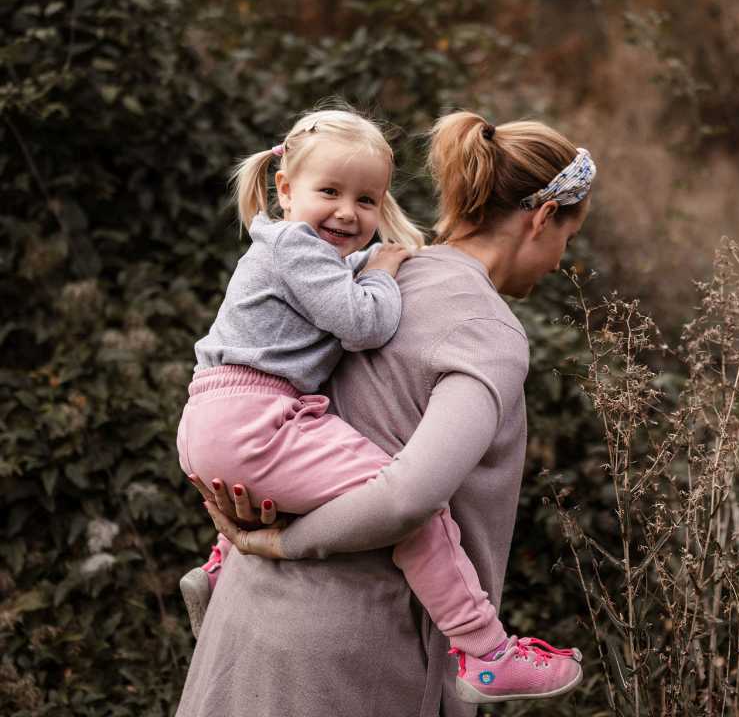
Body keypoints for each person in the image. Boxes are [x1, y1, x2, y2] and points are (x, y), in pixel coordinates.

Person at [176, 110, 594, 717]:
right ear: (543, 217)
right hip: (350, 659)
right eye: (569, 240)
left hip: (243, 628)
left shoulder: (368, 271)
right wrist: (278, 542)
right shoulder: (480, 328)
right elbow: (406, 499)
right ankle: (489, 653)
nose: (561, 261)